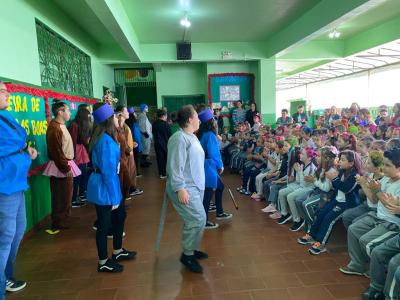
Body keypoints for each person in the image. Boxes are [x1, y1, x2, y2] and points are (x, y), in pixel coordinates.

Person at [87, 103, 136, 273]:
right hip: (105, 186)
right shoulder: (106, 141)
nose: (118, 118)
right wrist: (114, 197)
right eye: (115, 116)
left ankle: (117, 250)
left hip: (108, 183)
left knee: (119, 216)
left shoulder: (107, 136)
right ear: (108, 120)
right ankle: (103, 261)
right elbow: (108, 172)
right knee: (104, 224)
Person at [0, 81, 37, 297]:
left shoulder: (6, 117)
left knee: (16, 232)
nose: (8, 95)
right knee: (5, 238)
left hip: (16, 183)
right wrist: (24, 153)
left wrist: (25, 152)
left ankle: (6, 276)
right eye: (3, 91)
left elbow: (13, 147)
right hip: (5, 187)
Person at [166, 105, 208, 273]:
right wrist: (180, 188)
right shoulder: (179, 138)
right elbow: (175, 166)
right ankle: (187, 255)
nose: (199, 119)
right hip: (185, 187)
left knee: (198, 220)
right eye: (196, 117)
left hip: (195, 186)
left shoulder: (191, 136)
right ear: (190, 119)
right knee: (197, 219)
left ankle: (192, 248)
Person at [43, 101, 81, 232]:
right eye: (67, 110)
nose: (70, 113)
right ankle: (59, 221)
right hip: (61, 165)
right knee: (61, 195)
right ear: (60, 112)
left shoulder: (61, 125)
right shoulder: (54, 128)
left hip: (65, 163)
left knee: (66, 194)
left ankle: (64, 218)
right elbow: (56, 151)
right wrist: (65, 167)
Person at [197, 108, 233, 230]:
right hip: (209, 165)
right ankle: (205, 221)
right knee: (207, 193)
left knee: (220, 187)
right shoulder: (210, 135)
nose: (216, 122)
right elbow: (214, 153)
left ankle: (219, 212)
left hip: (205, 164)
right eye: (214, 119)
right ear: (210, 122)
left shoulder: (202, 133)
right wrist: (220, 165)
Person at [68, 105, 92, 207]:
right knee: (77, 176)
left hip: (80, 151)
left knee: (83, 174)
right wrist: (72, 157)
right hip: (76, 152)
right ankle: (73, 200)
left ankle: (81, 194)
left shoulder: (80, 125)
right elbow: (73, 141)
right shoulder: (74, 125)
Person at [152, 109, 172, 179]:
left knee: (159, 158)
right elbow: (170, 135)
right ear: (164, 116)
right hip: (165, 144)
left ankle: (161, 173)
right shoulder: (166, 124)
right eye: (166, 115)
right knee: (167, 158)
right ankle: (167, 172)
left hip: (157, 144)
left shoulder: (154, 124)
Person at [125, 107, 142, 177]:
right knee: (136, 159)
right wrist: (138, 143)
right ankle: (136, 172)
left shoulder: (126, 123)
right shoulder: (134, 124)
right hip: (135, 143)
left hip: (130, 143)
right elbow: (137, 135)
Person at [138, 103, 152, 167]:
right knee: (145, 148)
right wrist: (145, 133)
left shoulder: (144, 115)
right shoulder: (142, 116)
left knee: (146, 148)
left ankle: (145, 161)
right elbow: (141, 125)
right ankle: (142, 163)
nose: (147, 108)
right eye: (146, 107)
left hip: (146, 134)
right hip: (144, 135)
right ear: (143, 108)